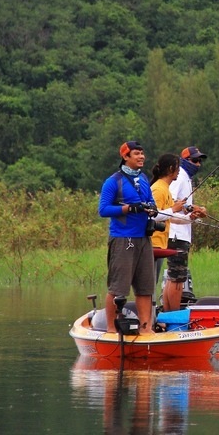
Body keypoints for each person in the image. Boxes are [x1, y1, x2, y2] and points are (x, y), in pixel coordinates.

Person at [98, 140, 170, 334]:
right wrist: (128, 208)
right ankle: (111, 328)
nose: (141, 157)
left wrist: (152, 209)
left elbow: (151, 202)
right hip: (123, 239)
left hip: (144, 239)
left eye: (142, 153)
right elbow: (103, 210)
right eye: (137, 154)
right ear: (125, 156)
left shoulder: (144, 179)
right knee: (118, 288)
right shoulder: (113, 181)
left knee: (145, 287)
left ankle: (145, 329)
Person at [163, 145, 208, 311]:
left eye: (200, 161)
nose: (198, 164)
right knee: (178, 279)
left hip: (181, 233)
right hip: (176, 234)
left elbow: (183, 205)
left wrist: (195, 209)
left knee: (173, 277)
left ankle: (168, 315)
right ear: (185, 160)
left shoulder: (186, 177)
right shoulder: (180, 176)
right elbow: (171, 203)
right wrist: (190, 211)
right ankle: (174, 316)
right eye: (195, 160)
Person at [150, 153, 193, 292]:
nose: (179, 170)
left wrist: (191, 218)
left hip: (161, 244)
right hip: (152, 243)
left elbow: (168, 217)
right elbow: (152, 216)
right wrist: (174, 208)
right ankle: (147, 312)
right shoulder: (158, 189)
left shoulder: (166, 189)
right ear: (170, 168)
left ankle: (152, 311)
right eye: (177, 167)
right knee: (149, 285)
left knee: (153, 283)